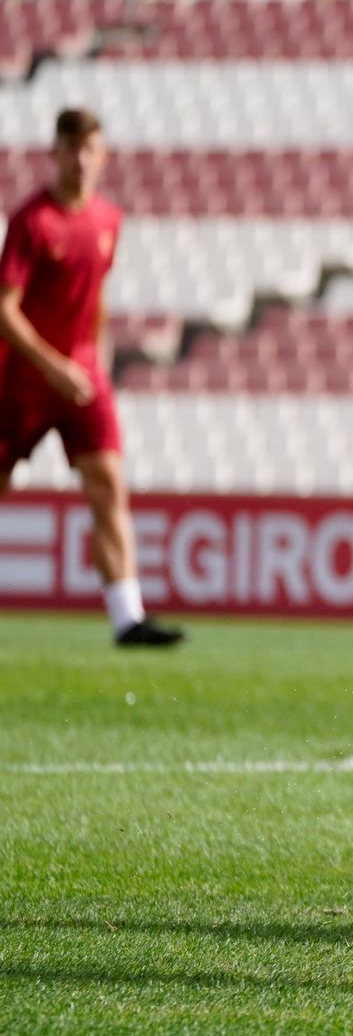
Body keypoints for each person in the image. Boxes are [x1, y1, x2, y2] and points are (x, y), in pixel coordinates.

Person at [0, 107, 182, 646]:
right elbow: (5, 309)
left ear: (102, 157)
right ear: (54, 154)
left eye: (90, 151)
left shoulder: (108, 221)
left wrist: (95, 360)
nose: (81, 161)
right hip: (27, 376)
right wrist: (54, 367)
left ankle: (128, 617)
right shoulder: (33, 222)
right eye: (71, 150)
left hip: (82, 376)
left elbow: (95, 295)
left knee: (108, 485)